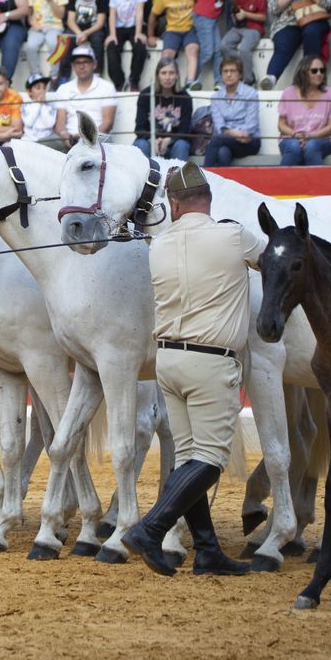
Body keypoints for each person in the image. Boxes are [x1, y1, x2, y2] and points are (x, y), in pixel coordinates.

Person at [125, 163, 257, 577]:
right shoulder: (234, 235)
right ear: (209, 200)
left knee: (187, 459)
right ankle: (151, 527)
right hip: (210, 360)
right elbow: (274, 261)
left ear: (175, 204)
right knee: (211, 459)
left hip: (168, 360)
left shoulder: (158, 245)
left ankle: (208, 551)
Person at [276, 56, 331, 164]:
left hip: (321, 139)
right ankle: (283, 180)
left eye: (322, 70)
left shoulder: (329, 93)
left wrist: (310, 136)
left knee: (311, 146)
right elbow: (281, 124)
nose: (319, 74)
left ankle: (315, 181)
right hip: (292, 137)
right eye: (314, 71)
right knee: (293, 147)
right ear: (303, 73)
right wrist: (296, 135)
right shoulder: (288, 93)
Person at [51, 45, 115, 145]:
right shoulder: (63, 89)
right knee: (43, 144)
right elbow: (60, 123)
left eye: (85, 62)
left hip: (96, 138)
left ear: (94, 64)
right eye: (77, 63)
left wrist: (87, 138)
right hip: (69, 138)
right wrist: (64, 135)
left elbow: (107, 124)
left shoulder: (107, 87)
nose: (81, 66)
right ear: (73, 66)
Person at [204, 58, 261, 166]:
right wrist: (234, 134)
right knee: (223, 152)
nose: (229, 74)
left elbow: (251, 125)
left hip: (249, 140)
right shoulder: (216, 97)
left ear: (240, 74)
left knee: (217, 140)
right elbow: (219, 125)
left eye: (232, 71)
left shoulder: (251, 94)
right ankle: (219, 182)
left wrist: (238, 134)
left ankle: (203, 176)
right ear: (221, 74)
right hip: (227, 139)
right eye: (225, 71)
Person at [133, 59, 193, 160]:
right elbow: (139, 128)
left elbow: (185, 130)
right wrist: (152, 140)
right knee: (141, 144)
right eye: (163, 73)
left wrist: (168, 140)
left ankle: (178, 175)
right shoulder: (146, 95)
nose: (167, 77)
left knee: (181, 145)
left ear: (177, 75)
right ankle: (145, 175)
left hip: (174, 143)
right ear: (157, 75)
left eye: (171, 73)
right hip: (149, 142)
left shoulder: (185, 97)